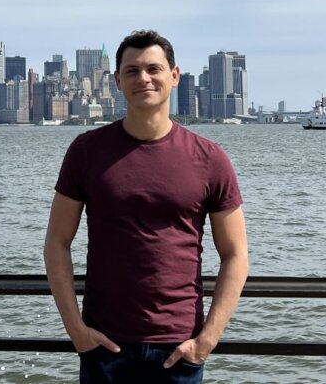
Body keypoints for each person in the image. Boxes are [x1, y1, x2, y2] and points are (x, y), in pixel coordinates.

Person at [44, 30, 248, 383]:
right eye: (132, 70)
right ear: (117, 80)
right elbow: (56, 243)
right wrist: (76, 331)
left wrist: (207, 340)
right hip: (104, 346)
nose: (144, 78)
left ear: (174, 76)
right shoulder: (86, 151)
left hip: (179, 348)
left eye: (154, 68)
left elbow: (236, 253)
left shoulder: (210, 157)